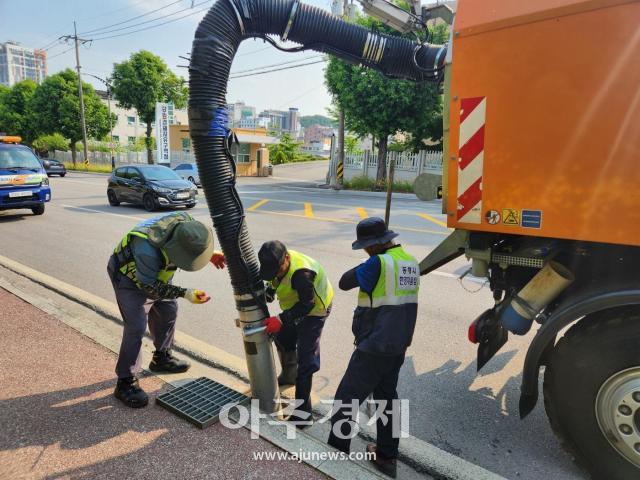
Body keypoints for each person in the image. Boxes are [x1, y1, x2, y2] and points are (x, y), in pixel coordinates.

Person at [327, 217, 420, 478]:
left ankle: (335, 460)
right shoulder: (410, 261)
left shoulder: (377, 263)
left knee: (346, 400)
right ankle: (387, 455)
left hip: (373, 347)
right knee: (386, 398)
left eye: (366, 247)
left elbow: (345, 281)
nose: (365, 251)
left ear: (374, 245)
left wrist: (369, 262)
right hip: (398, 346)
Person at [107, 211, 226, 408]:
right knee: (136, 326)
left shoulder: (186, 225)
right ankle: (125, 381)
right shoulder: (147, 250)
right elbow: (150, 287)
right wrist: (185, 293)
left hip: (157, 275)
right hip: (128, 278)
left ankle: (161, 358)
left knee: (168, 310)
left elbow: (188, 244)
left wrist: (205, 254)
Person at [258, 240, 334, 426]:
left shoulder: (302, 274)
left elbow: (307, 305)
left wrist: (282, 319)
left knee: (306, 361)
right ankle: (289, 375)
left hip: (315, 311)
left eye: (277, 269)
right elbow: (276, 279)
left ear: (287, 258)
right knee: (283, 337)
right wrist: (269, 291)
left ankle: (303, 415)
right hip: (295, 307)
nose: (275, 274)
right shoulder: (276, 261)